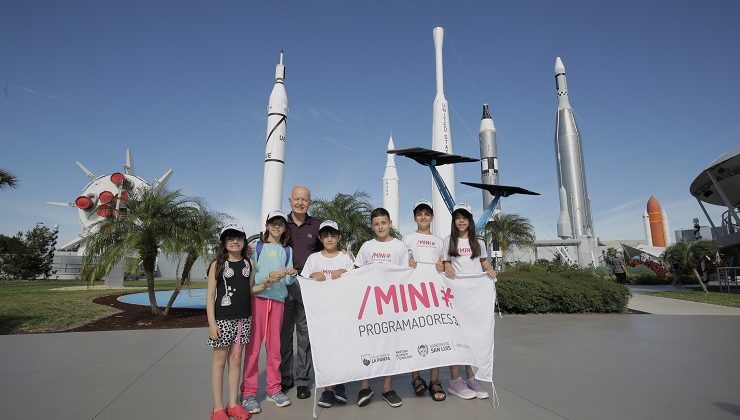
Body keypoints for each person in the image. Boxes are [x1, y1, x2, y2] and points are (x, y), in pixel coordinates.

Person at [241, 210, 298, 413]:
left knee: (275, 349)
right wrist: (267, 276)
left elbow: (289, 280)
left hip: (278, 301)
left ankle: (274, 389)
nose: (276, 227)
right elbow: (252, 276)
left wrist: (291, 274)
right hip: (258, 300)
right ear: (267, 225)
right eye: (273, 223)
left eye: (280, 224)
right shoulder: (256, 247)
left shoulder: (287, 251)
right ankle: (248, 393)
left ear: (284, 228)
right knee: (254, 349)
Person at [354, 207, 411, 408]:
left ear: (390, 224)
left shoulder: (400, 247)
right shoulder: (366, 247)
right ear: (372, 226)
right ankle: (364, 386)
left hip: (392, 305)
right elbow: (356, 273)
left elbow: (407, 275)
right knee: (367, 345)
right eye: (376, 224)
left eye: (383, 223)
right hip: (369, 305)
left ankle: (387, 388)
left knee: (391, 346)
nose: (380, 227)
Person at [442, 203, 496, 401]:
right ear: (454, 221)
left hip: (474, 297)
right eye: (458, 217)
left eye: (465, 217)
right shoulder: (448, 240)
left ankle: (471, 377)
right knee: (456, 336)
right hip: (456, 295)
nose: (461, 221)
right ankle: (455, 380)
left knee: (472, 336)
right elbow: (445, 261)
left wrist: (490, 270)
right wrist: (447, 265)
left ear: (470, 220)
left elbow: (483, 261)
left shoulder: (478, 241)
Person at [301, 220, 355, 409]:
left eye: (333, 235)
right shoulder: (313, 259)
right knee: (323, 350)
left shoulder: (346, 259)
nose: (330, 238)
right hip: (320, 315)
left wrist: (346, 272)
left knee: (340, 349)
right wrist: (312, 276)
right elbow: (303, 280)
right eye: (326, 235)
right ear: (320, 238)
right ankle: (327, 388)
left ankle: (339, 385)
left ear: (339, 237)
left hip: (342, 312)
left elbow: (356, 281)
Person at [206, 224, 255, 420]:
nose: (234, 241)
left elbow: (250, 289)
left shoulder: (249, 264)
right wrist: (212, 324)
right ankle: (218, 408)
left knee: (236, 361)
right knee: (219, 362)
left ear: (243, 241)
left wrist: (267, 284)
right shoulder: (217, 264)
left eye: (238, 238)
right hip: (222, 320)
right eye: (230, 238)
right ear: (224, 243)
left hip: (243, 319)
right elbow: (210, 295)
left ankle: (233, 404)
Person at [402, 200, 447, 402]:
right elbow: (401, 264)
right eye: (419, 214)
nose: (423, 217)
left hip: (434, 296)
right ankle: (416, 377)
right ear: (414, 217)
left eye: (426, 214)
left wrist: (442, 267)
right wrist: (407, 263)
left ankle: (435, 380)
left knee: (434, 337)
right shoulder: (407, 238)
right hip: (414, 295)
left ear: (432, 217)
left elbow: (446, 266)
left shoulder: (440, 241)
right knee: (416, 338)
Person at [280, 186, 322, 400]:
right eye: (296, 199)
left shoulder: (316, 226)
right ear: (290, 201)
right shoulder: (280, 224)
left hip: (307, 286)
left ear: (309, 202)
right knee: (284, 335)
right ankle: (285, 378)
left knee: (305, 336)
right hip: (283, 286)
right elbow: (267, 247)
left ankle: (303, 380)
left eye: (304, 199)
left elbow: (326, 252)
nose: (300, 202)